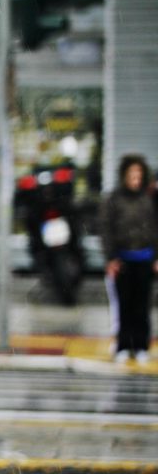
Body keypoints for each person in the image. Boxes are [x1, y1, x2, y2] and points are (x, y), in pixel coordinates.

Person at [99, 154, 158, 363]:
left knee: (142, 306)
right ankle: (123, 345)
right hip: (123, 260)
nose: (136, 177)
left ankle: (141, 345)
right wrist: (111, 258)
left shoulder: (149, 198)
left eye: (139, 173)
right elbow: (106, 230)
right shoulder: (114, 199)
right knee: (124, 306)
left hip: (145, 259)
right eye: (132, 173)